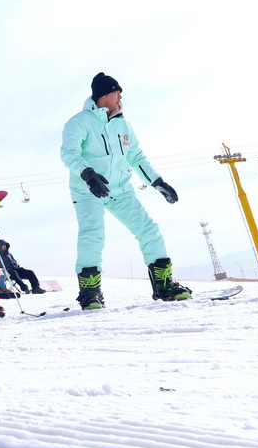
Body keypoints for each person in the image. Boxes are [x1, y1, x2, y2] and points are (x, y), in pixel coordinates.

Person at [61, 72, 191, 309]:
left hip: (120, 190)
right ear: (104, 95)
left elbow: (136, 156)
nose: (121, 96)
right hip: (88, 190)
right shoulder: (79, 122)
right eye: (117, 92)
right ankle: (90, 293)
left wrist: (157, 181)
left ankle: (164, 285)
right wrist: (88, 174)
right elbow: (69, 153)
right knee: (92, 236)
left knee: (149, 230)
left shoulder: (123, 124)